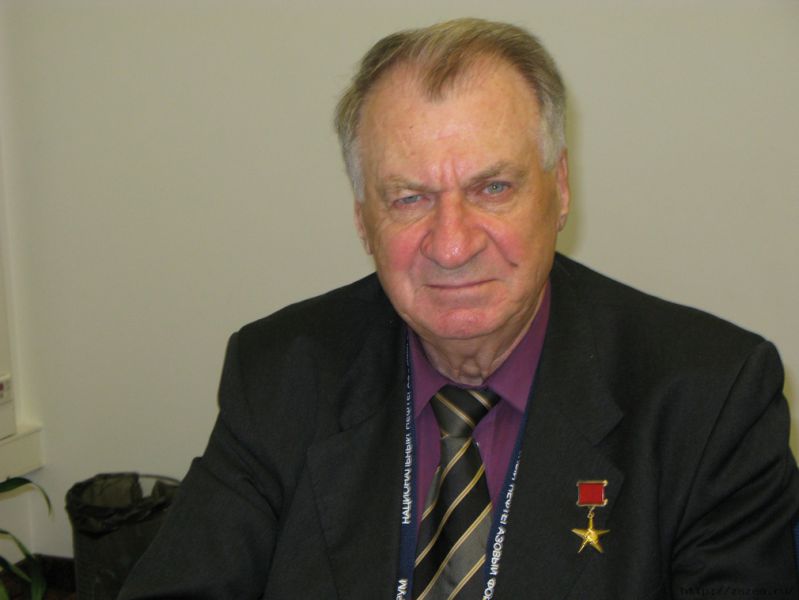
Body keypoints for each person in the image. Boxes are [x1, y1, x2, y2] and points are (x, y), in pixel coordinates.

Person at [119, 18, 799, 599]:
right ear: (362, 219)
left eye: (492, 188)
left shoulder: (710, 401)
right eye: (409, 198)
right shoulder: (281, 373)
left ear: (560, 189)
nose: (451, 245)